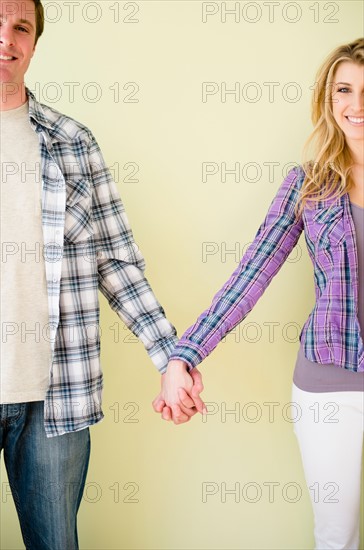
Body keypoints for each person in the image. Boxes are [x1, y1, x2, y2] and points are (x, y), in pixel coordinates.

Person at [0, 1, 205, 548]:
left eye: (21, 27)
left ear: (34, 44)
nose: (6, 39)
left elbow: (115, 261)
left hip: (55, 396)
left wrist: (171, 358)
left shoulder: (73, 142)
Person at [155, 38, 364, 550]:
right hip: (330, 383)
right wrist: (184, 356)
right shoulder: (308, 186)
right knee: (336, 538)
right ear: (327, 98)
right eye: (344, 89)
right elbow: (250, 277)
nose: (356, 104)